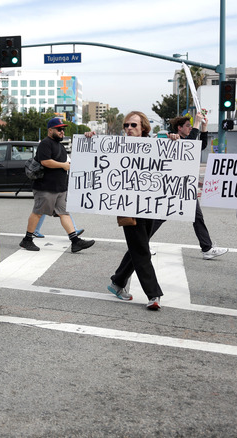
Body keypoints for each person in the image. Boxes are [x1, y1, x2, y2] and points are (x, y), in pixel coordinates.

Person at [88, 112, 164, 310]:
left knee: (138, 246)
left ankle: (118, 282)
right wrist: (90, 140)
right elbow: (97, 159)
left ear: (143, 128)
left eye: (133, 125)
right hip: (127, 206)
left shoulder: (157, 145)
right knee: (141, 249)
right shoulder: (117, 147)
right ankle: (153, 294)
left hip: (152, 206)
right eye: (126, 125)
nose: (129, 128)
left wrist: (175, 138)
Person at [19, 117, 94, 253]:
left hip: (60, 188)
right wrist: (63, 165)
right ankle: (27, 240)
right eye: (59, 129)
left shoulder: (60, 146)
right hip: (45, 187)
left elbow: (67, 163)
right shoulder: (45, 144)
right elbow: (45, 162)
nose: (62, 132)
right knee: (37, 212)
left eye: (63, 129)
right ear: (50, 130)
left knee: (64, 213)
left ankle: (75, 241)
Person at [168, 113, 228, 260]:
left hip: (186, 185)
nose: (190, 128)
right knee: (160, 218)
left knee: (197, 217)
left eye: (190, 126)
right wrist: (196, 123)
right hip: (173, 185)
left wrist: (204, 127)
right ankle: (141, 245)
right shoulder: (173, 139)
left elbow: (201, 145)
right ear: (179, 128)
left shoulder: (187, 139)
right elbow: (188, 144)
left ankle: (207, 248)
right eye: (187, 126)